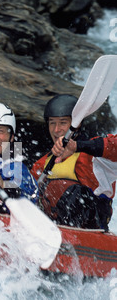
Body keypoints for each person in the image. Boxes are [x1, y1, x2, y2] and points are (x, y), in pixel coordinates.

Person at [31, 94, 117, 230]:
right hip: (51, 229)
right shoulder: (42, 163)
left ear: (77, 124)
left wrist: (77, 146)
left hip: (90, 228)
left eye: (63, 123)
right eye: (52, 123)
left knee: (78, 194)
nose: (56, 129)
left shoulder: (95, 157)